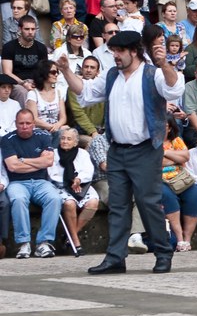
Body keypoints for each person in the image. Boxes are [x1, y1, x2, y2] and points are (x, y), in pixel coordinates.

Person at [57, 29, 185, 275]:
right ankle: (115, 258)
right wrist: (65, 71)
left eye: (119, 51)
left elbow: (174, 90)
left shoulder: (152, 74)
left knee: (148, 203)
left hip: (146, 150)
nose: (115, 55)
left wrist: (163, 62)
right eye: (113, 50)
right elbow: (85, 92)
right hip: (117, 150)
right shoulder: (112, 75)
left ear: (134, 51)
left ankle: (163, 252)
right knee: (118, 205)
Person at [2, 109, 62, 258]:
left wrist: (22, 160)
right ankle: (24, 243)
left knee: (54, 198)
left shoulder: (43, 136)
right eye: (21, 123)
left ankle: (43, 243)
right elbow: (12, 166)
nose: (24, 126)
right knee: (18, 199)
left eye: (28, 123)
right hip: (17, 182)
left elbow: (48, 161)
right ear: (15, 124)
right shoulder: (7, 139)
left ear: (34, 124)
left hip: (41, 181)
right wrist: (37, 162)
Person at [48, 127, 99, 255]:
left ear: (75, 142)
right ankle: (76, 242)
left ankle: (70, 235)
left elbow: (88, 171)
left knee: (93, 202)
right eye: (63, 138)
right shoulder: (53, 154)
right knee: (69, 203)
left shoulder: (82, 154)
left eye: (69, 139)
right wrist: (69, 182)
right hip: (60, 185)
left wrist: (78, 179)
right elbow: (51, 174)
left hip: (81, 184)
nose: (65, 141)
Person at [160, 116, 197, 252]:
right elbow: (155, 161)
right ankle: (179, 238)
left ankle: (187, 238)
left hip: (180, 177)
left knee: (195, 195)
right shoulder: (150, 142)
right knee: (168, 198)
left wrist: (166, 152)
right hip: (159, 179)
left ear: (170, 128)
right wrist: (175, 158)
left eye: (164, 126)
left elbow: (186, 157)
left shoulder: (177, 140)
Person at [2, 15, 48, 106]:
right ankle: (26, 119)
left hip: (36, 81)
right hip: (16, 83)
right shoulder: (9, 47)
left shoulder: (41, 48)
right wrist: (24, 83)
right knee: (22, 92)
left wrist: (37, 82)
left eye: (33, 29)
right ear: (20, 29)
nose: (30, 32)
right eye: (27, 29)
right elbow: (7, 72)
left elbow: (44, 70)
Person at [26, 60, 67, 147]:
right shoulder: (33, 94)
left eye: (57, 72)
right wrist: (51, 127)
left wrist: (56, 126)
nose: (56, 75)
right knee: (48, 135)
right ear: (43, 73)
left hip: (56, 129)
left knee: (68, 132)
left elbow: (63, 117)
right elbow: (34, 119)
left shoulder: (59, 93)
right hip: (39, 130)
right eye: (53, 72)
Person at [66, 55, 104, 141]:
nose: (88, 70)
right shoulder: (73, 87)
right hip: (78, 130)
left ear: (97, 72)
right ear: (81, 69)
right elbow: (78, 113)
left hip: (100, 129)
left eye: (92, 67)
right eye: (86, 67)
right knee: (92, 143)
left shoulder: (102, 87)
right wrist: (93, 132)